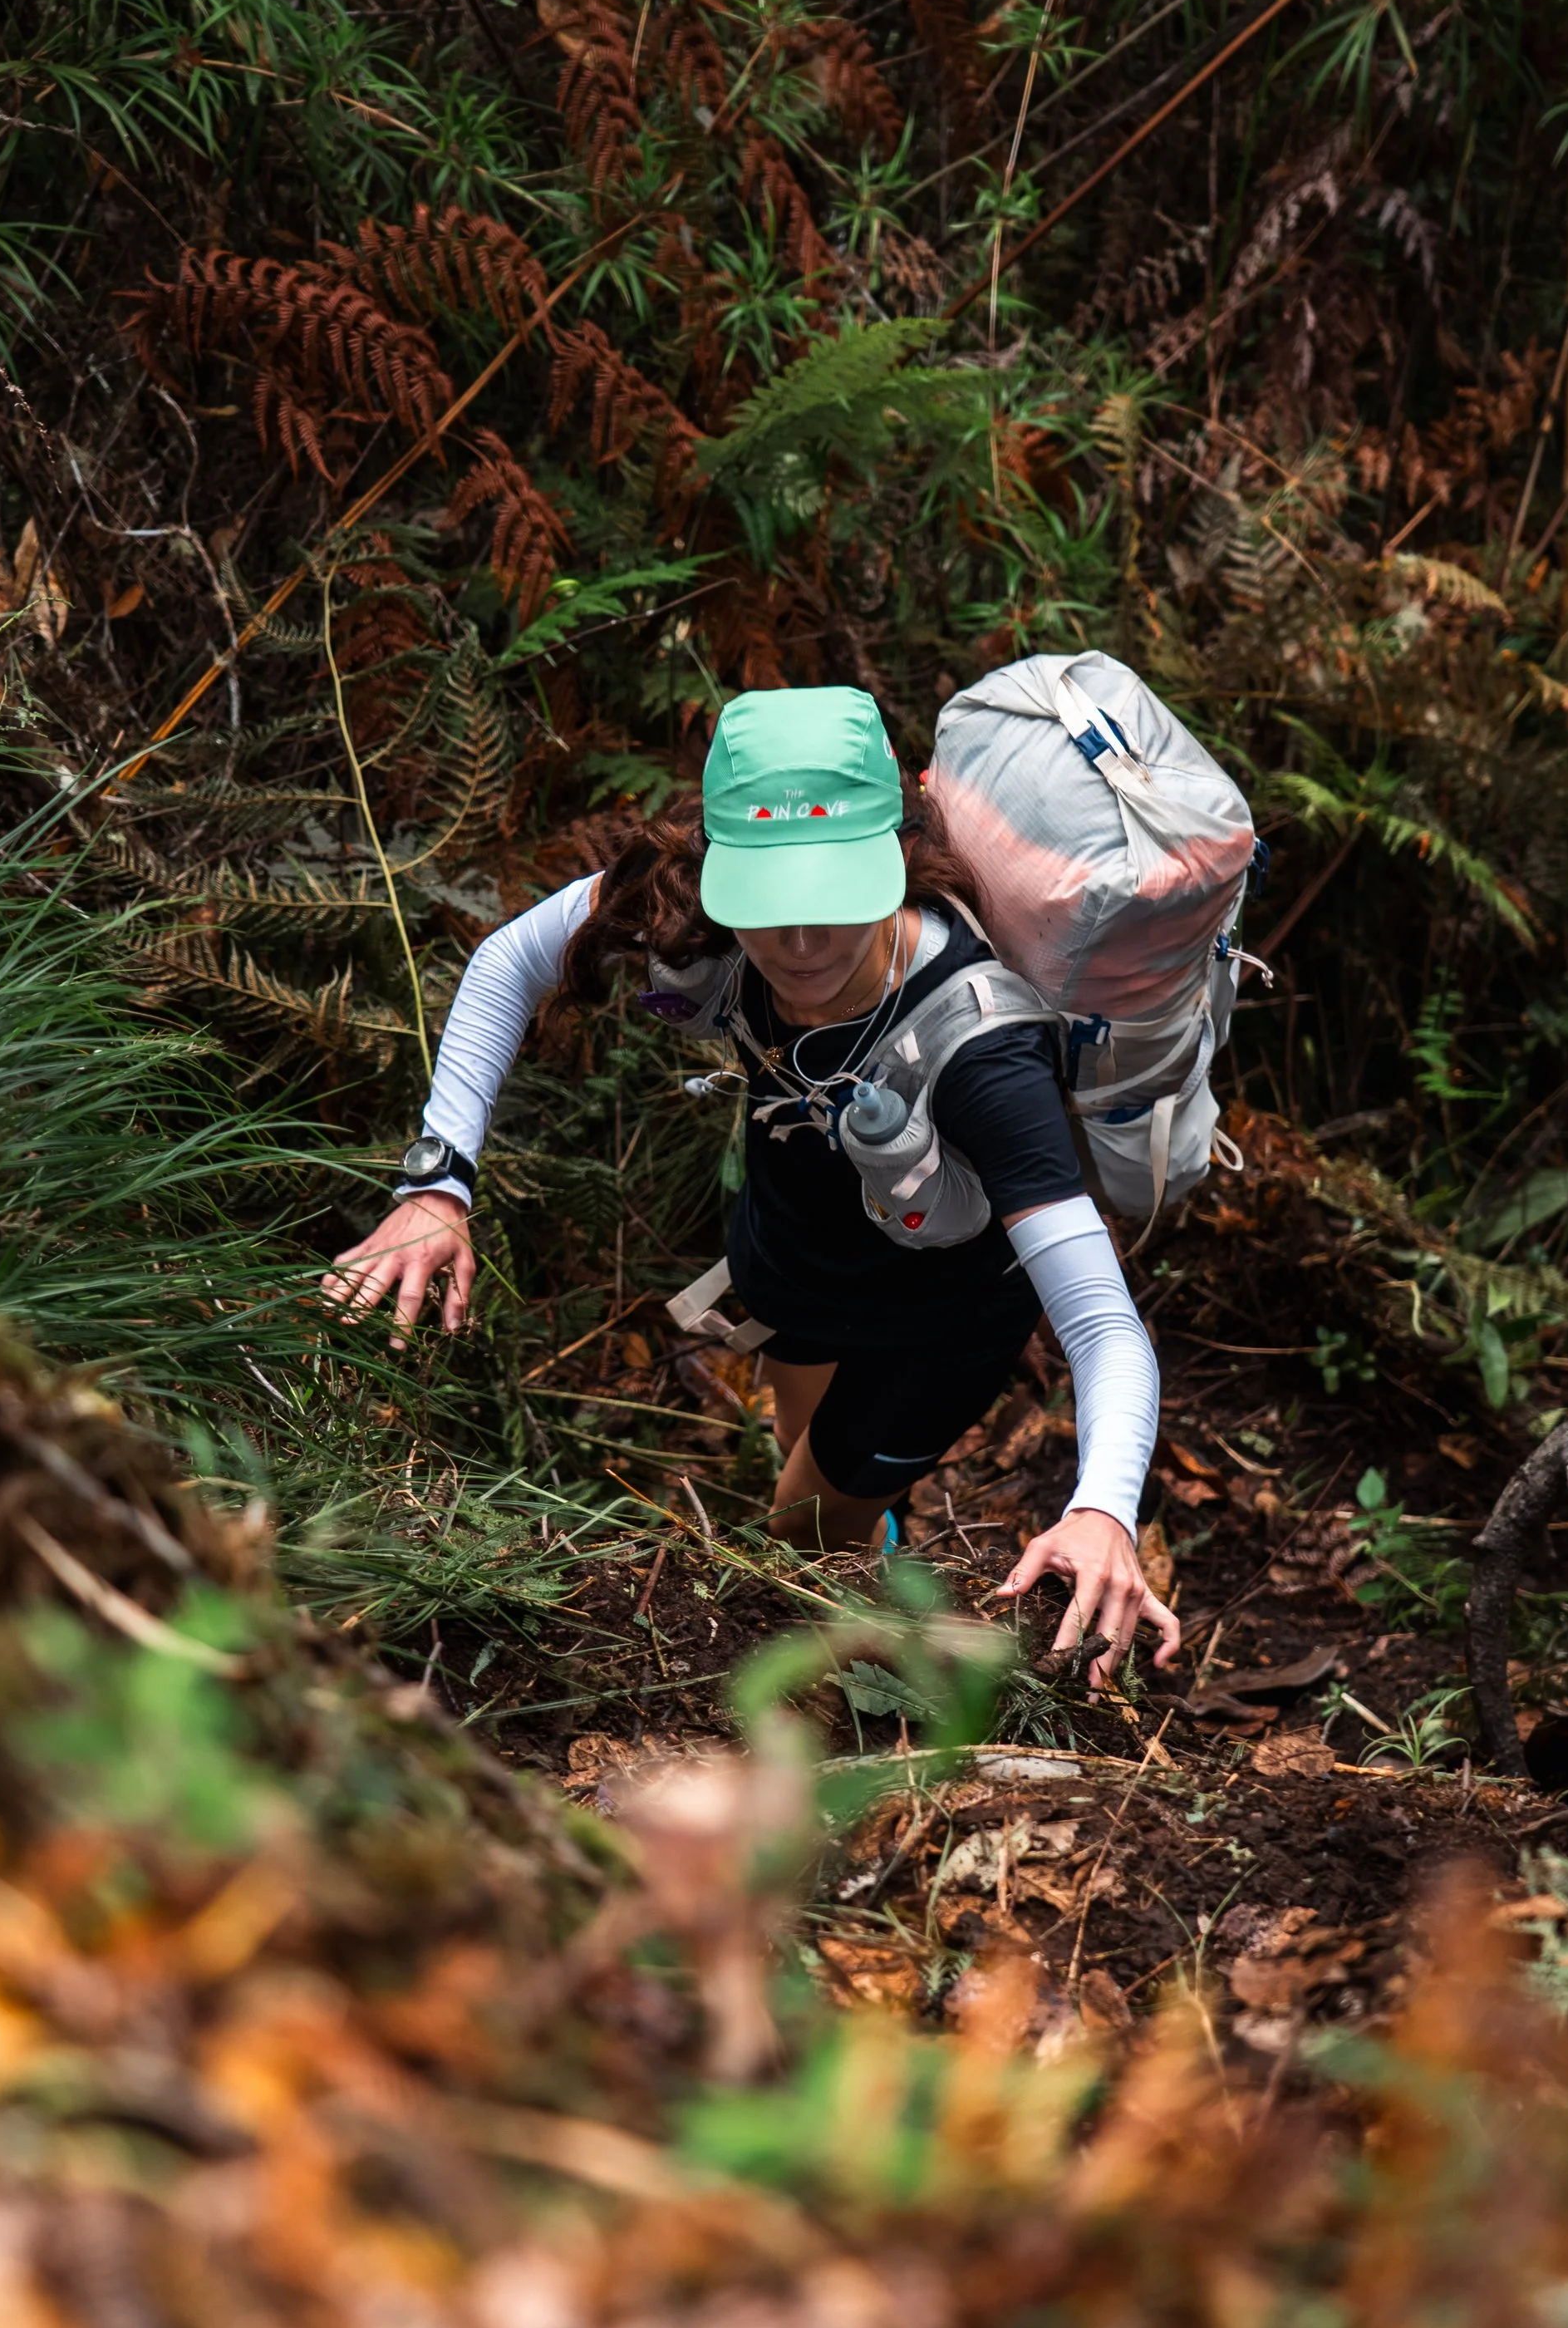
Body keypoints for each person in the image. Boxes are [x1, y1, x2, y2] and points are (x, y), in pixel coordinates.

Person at [322, 686, 1180, 1677]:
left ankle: (868, 1686)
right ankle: (872, 1564)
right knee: (811, 1478)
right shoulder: (690, 906)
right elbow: (508, 959)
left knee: (797, 1538)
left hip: (935, 1329)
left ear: (894, 862)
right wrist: (438, 1186)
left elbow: (1104, 1326)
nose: (802, 944)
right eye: (769, 906)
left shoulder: (983, 1052)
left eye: (835, 899)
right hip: (787, 1264)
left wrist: (1101, 1509)